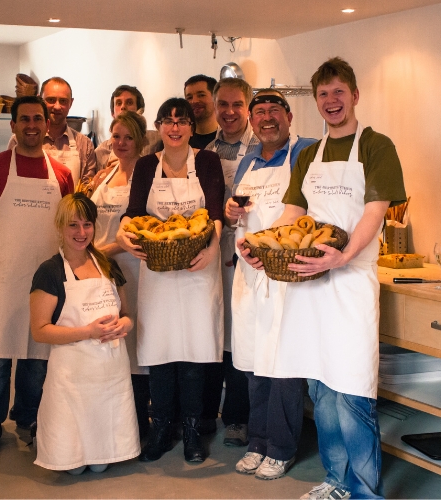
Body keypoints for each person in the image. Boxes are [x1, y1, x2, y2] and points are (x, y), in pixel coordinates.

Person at [240, 58, 406, 499]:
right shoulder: (310, 154)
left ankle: (365, 490)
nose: (331, 101)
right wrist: (261, 244)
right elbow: (292, 214)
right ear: (316, 102)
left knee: (352, 389)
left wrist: (341, 257)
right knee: (320, 387)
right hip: (307, 284)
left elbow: (375, 212)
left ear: (355, 95)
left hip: (350, 283)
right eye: (323, 94)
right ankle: (335, 481)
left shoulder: (376, 146)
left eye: (339, 92)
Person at [117, 98, 225, 463]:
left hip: (198, 267)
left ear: (192, 127)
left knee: (195, 350)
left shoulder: (207, 161)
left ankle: (193, 430)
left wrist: (211, 248)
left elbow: (215, 210)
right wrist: (122, 235)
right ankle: (161, 427)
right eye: (168, 121)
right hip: (159, 272)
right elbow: (133, 213)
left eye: (181, 121)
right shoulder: (148, 165)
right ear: (159, 127)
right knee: (160, 351)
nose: (174, 128)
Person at [0, 95, 75, 460]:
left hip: (45, 283)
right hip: (2, 277)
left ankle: (29, 421)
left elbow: (69, 227)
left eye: (38, 119)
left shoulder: (61, 173)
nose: (32, 125)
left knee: (37, 358)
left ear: (47, 125)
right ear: (13, 125)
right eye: (24, 119)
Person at [226, 90, 316, 480]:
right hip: (249, 274)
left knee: (282, 363)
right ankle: (258, 440)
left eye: (274, 111)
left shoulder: (305, 152)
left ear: (289, 116)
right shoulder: (247, 160)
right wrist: (231, 212)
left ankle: (280, 447)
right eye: (259, 112)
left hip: (285, 275)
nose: (267, 118)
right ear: (251, 119)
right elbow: (242, 216)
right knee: (252, 361)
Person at [30, 193, 140, 475]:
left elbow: (127, 315)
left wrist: (124, 326)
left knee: (101, 463)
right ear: (60, 227)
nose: (81, 233)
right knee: (73, 464)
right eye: (73, 225)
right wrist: (88, 331)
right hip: (71, 378)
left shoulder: (108, 266)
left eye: (87, 225)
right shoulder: (50, 272)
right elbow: (40, 331)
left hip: (110, 376)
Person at [83, 111, 151, 438]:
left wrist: (100, 252)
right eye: (116, 137)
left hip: (133, 270)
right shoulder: (106, 175)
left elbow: (140, 232)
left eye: (128, 137)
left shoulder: (147, 175)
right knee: (106, 341)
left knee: (134, 344)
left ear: (140, 141)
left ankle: (137, 421)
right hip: (101, 272)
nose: (121, 143)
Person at [200, 77, 258, 446]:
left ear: (248, 108)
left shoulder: (262, 149)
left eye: (237, 104)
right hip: (208, 255)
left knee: (238, 338)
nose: (230, 112)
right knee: (210, 334)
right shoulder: (204, 152)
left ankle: (237, 417)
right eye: (223, 104)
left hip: (246, 257)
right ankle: (205, 413)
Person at [8, 77, 97, 187]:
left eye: (63, 101)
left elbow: (86, 189)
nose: (57, 106)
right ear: (40, 99)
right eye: (51, 100)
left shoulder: (84, 144)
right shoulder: (19, 139)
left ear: (71, 103)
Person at [93, 85, 161, 169]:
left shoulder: (156, 140)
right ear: (112, 113)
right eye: (118, 103)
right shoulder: (100, 152)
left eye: (129, 102)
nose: (123, 107)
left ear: (140, 110)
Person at [184, 75, 219, 149]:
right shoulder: (182, 140)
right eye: (189, 97)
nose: (194, 101)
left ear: (216, 98)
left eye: (201, 95)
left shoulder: (229, 138)